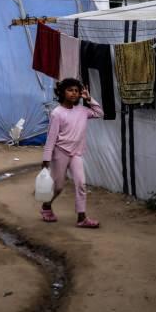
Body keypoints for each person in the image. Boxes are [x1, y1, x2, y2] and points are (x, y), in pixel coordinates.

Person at [40, 78, 103, 227]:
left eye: (76, 91)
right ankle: (46, 206)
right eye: (70, 90)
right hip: (60, 152)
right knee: (58, 186)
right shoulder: (57, 113)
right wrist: (46, 159)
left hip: (76, 153)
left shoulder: (82, 111)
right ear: (62, 92)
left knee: (81, 183)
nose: (74, 93)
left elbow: (99, 113)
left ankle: (82, 218)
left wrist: (89, 99)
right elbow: (51, 138)